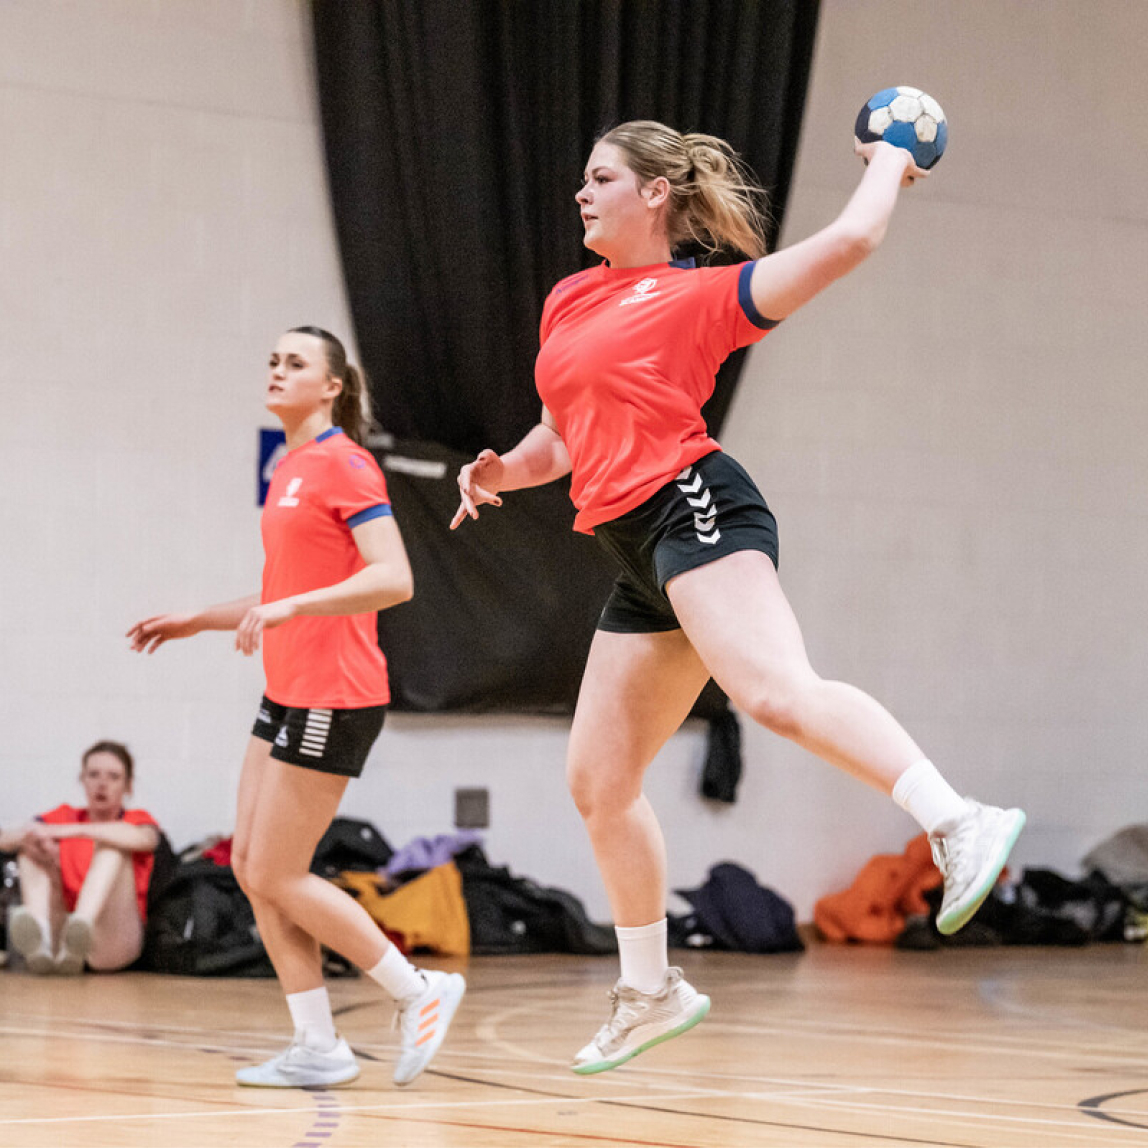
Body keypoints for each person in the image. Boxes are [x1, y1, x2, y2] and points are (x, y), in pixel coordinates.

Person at [452, 121, 1025, 1074]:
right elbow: (564, 437)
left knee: (772, 692)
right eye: (581, 178)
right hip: (636, 548)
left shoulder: (700, 298)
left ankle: (956, 818)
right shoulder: (568, 299)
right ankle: (650, 989)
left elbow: (849, 245)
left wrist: (891, 157)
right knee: (599, 782)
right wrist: (503, 471)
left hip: (695, 508)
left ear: (654, 196)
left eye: (601, 178)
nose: (581, 194)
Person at [127, 327, 464, 1089]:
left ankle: (419, 991)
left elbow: (393, 578)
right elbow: (285, 596)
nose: (278, 371)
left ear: (333, 385)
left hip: (336, 696)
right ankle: (319, 1045)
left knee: (279, 872)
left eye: (296, 363)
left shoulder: (347, 465)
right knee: (252, 867)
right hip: (285, 692)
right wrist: (199, 619)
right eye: (273, 361)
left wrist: (291, 608)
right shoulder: (290, 467)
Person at [1, 740, 159, 975]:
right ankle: (41, 936)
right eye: (94, 774)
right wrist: (37, 841)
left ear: (128, 786)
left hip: (113, 940)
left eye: (113, 777)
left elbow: (147, 839)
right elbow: (6, 839)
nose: (102, 784)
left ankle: (82, 924)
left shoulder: (135, 819)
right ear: (82, 779)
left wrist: (64, 831)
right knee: (30, 846)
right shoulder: (65, 815)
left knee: (112, 847)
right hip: (62, 939)